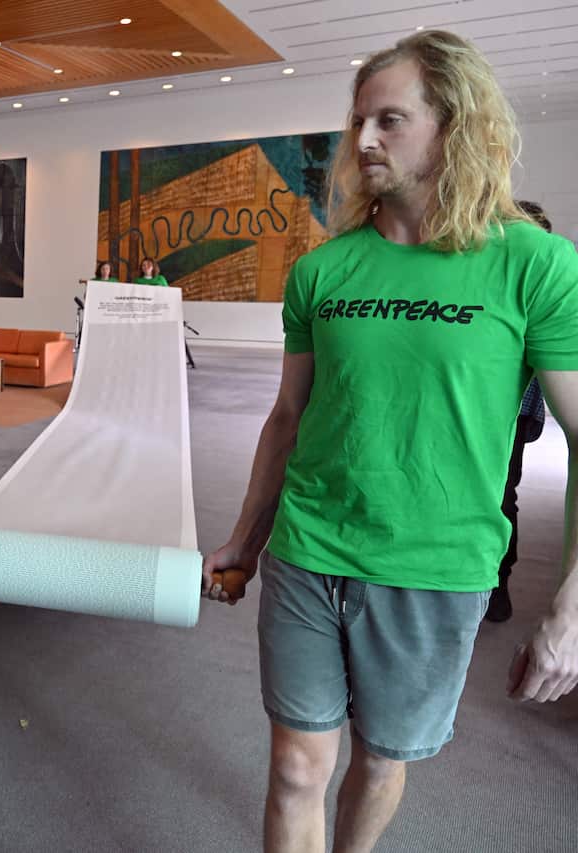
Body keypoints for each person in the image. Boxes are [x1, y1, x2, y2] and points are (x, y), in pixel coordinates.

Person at [201, 30, 578, 853]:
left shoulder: (535, 266)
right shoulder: (323, 272)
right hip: (310, 550)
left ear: (454, 124)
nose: (364, 139)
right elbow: (286, 418)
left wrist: (575, 606)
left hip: (436, 569)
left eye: (391, 120)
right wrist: (244, 538)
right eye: (359, 120)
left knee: (379, 761)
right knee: (298, 766)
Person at [487, 200, 554, 623]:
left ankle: (498, 583)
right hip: (487, 410)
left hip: (516, 413)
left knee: (503, 497)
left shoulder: (543, 286)